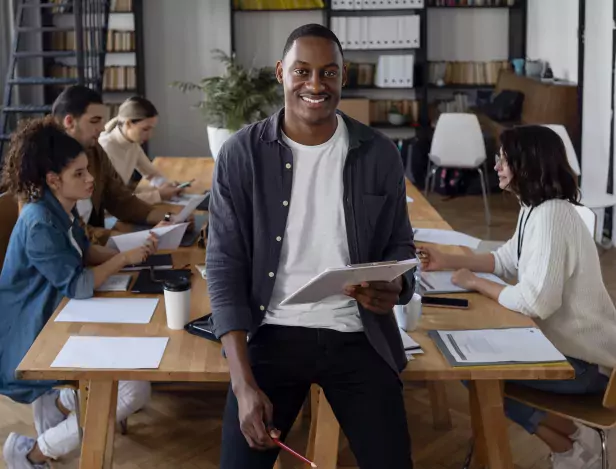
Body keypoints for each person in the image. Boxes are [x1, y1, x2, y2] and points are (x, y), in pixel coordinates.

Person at [207, 24, 416, 469]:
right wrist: (243, 386)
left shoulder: (379, 153)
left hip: (358, 335)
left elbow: (400, 245)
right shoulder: (240, 155)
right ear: (281, 72)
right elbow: (225, 268)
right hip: (271, 334)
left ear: (344, 77)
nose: (315, 85)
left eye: (329, 73)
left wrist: (396, 287)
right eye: (302, 71)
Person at [419, 125, 616, 469]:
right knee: (469, 366)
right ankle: (571, 443)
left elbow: (534, 302)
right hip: (564, 350)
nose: (496, 166)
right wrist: (448, 260)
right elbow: (508, 260)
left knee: (474, 370)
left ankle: (571, 445)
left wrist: (477, 283)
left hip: (588, 366)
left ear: (528, 164)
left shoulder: (553, 215)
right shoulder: (535, 209)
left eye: (504, 159)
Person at [0, 117, 157, 468]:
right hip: (37, 331)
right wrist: (123, 259)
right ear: (53, 180)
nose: (90, 180)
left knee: (132, 383)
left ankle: (52, 409)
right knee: (134, 389)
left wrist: (129, 254)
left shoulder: (59, 208)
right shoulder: (39, 220)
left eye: (88, 170)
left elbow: (84, 252)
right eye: (79, 174)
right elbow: (79, 284)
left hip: (61, 315)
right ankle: (31, 453)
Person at [51, 85, 174, 245]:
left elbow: (119, 198)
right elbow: (74, 232)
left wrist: (169, 218)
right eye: (95, 121)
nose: (102, 128)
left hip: (94, 248)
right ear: (69, 122)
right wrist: (135, 240)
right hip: (73, 255)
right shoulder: (46, 165)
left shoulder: (95, 150)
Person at [99, 96, 183, 204]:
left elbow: (151, 173)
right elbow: (112, 201)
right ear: (128, 124)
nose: (150, 135)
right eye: (145, 129)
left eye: (152, 129)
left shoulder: (132, 143)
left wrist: (165, 185)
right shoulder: (105, 149)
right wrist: (159, 195)